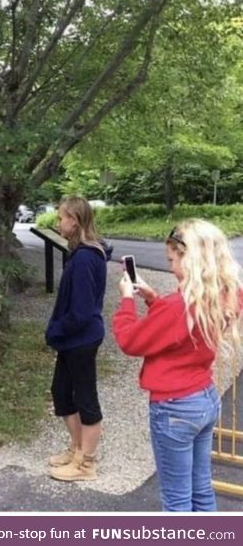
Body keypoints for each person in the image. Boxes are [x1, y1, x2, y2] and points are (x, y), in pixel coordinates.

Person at [112, 219, 242, 512]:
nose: (170, 267)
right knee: (200, 491)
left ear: (191, 258)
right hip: (205, 399)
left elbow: (130, 341)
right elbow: (183, 332)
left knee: (176, 501)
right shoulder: (226, 295)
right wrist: (153, 298)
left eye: (172, 260)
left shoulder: (177, 307)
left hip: (175, 409)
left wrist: (127, 301)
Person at [45, 196, 112, 482]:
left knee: (85, 398)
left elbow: (82, 312)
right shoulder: (81, 253)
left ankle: (87, 465)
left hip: (81, 339)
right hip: (73, 339)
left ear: (74, 220)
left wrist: (55, 330)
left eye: (61, 217)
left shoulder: (85, 258)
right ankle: (77, 450)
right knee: (61, 393)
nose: (58, 222)